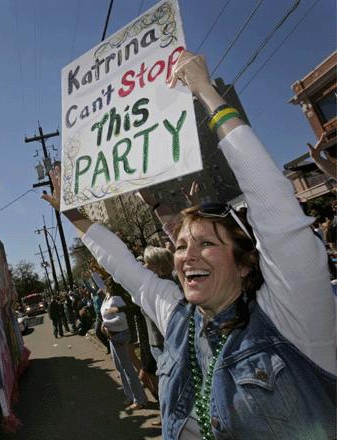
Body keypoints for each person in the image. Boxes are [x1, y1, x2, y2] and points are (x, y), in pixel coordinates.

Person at [43, 51, 336, 439]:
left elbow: (273, 202)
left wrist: (206, 93)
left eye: (205, 244)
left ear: (246, 262)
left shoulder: (293, 314)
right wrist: (75, 216)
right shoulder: (178, 319)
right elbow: (127, 270)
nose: (186, 256)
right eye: (180, 246)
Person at [100, 279, 149, 411]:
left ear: (110, 286)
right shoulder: (107, 297)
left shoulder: (116, 299)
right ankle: (130, 396)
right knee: (120, 368)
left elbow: (122, 319)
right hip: (112, 336)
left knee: (127, 368)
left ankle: (140, 399)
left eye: (106, 284)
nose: (103, 285)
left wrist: (106, 324)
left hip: (120, 336)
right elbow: (98, 285)